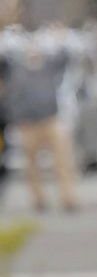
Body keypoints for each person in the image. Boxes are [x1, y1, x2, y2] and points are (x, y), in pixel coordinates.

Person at [2, 29, 78, 212]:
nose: (34, 52)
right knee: (31, 165)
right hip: (28, 124)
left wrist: (61, 38)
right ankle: (38, 200)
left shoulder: (48, 67)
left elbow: (65, 58)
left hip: (50, 119)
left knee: (63, 160)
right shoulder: (16, 69)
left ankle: (68, 197)